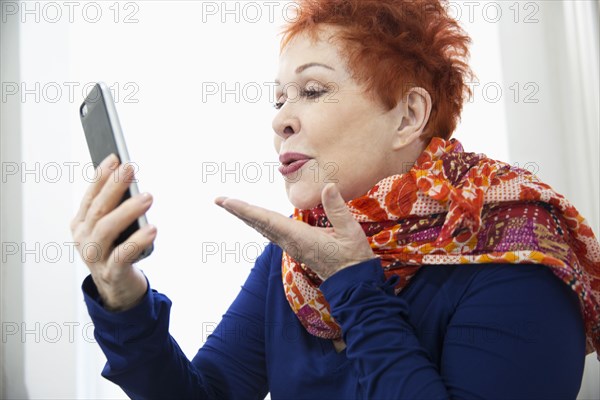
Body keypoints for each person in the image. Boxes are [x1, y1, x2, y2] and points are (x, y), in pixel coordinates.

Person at [70, 0, 600, 398]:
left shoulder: (517, 254)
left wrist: (353, 283)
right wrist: (122, 299)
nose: (280, 120)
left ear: (409, 116)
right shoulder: (295, 259)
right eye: (278, 99)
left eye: (313, 91)